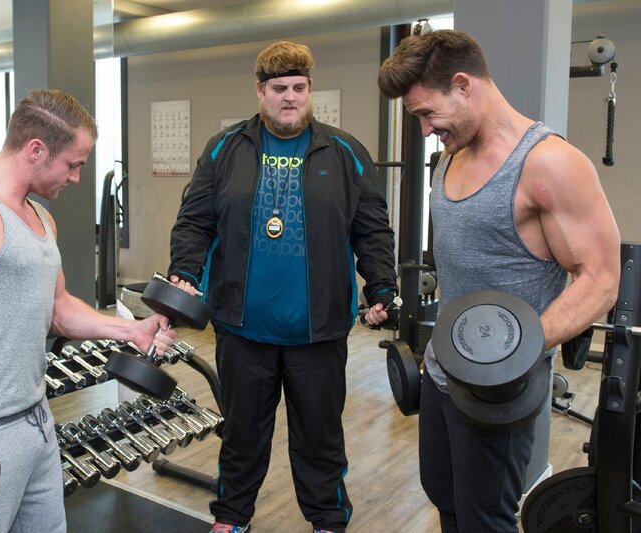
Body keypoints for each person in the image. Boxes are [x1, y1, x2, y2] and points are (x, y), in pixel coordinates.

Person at [0, 89, 178, 533]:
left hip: (38, 422)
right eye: (73, 164)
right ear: (36, 150)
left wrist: (133, 331)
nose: (77, 177)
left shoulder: (41, 219)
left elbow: (59, 309)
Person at [377, 29, 620, 532]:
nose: (424, 131)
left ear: (463, 85)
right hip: (444, 376)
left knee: (486, 519)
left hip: (500, 389)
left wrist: (509, 355)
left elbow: (600, 278)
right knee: (444, 497)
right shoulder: (450, 156)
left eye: (427, 114)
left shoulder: (548, 162)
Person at [168, 41, 398, 533]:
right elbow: (194, 221)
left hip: (317, 331)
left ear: (309, 90)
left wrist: (381, 285)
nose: (289, 98)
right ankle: (232, 518)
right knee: (242, 437)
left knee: (320, 439)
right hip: (242, 328)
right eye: (279, 89)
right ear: (260, 91)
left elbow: (372, 229)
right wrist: (184, 271)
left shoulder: (344, 152)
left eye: (298, 88)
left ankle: (328, 521)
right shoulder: (225, 148)